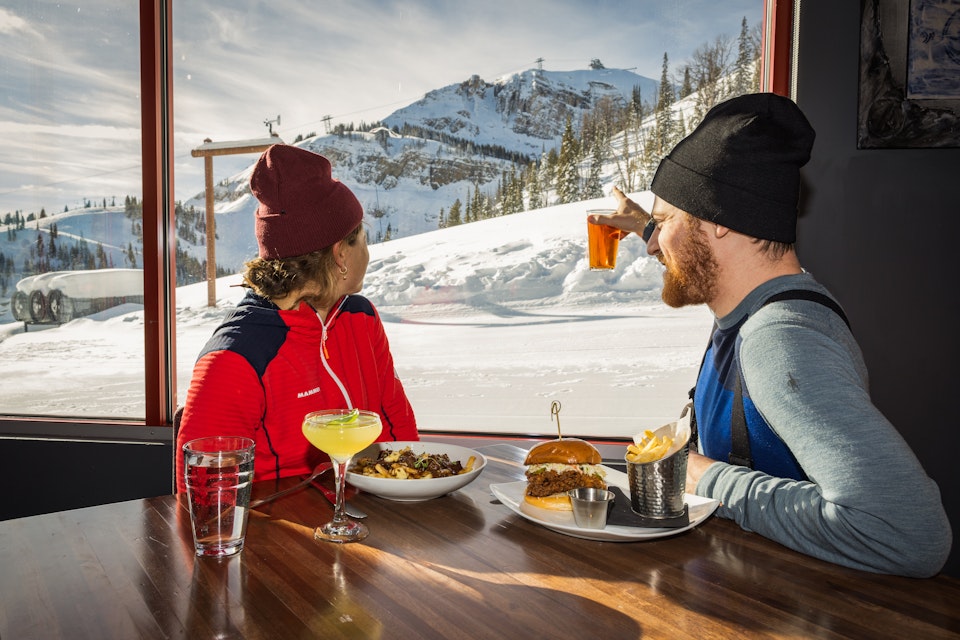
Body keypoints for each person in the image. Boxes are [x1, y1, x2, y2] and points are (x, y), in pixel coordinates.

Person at [590, 93, 951, 577]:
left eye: (665, 222)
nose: (653, 242)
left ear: (717, 223)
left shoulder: (780, 340)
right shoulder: (757, 303)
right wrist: (647, 222)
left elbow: (909, 533)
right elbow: (698, 238)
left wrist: (709, 477)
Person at [175, 144, 418, 493]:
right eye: (364, 239)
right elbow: (206, 500)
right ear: (340, 254)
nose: (368, 251)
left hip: (369, 521)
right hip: (280, 537)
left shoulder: (360, 317)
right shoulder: (235, 358)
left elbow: (397, 424)